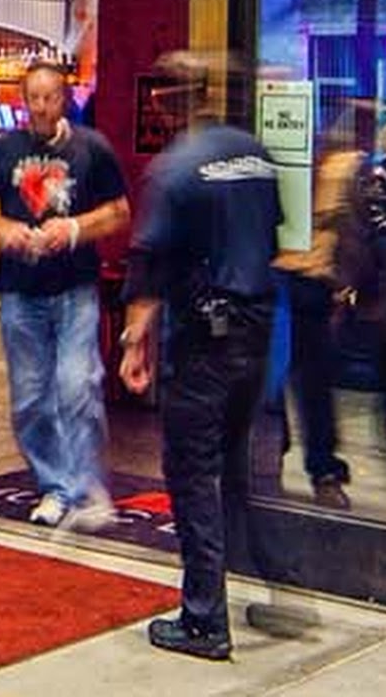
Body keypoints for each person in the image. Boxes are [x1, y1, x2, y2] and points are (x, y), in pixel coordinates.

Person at [120, 52, 299, 661]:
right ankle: (271, 577)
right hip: (256, 327)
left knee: (192, 471)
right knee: (234, 464)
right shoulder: (254, 153)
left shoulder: (175, 168)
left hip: (205, 337)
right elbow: (271, 236)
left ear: (168, 100)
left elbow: (150, 261)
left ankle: (204, 619)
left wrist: (135, 340)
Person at [0, 59, 129, 531]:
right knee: (30, 398)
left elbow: (119, 212)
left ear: (64, 98)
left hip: (75, 286)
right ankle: (54, 485)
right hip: (20, 290)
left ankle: (84, 486)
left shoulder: (91, 148)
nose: (39, 107)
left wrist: (73, 228)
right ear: (22, 99)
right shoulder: (1, 148)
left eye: (49, 97)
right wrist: (3, 229)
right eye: (32, 98)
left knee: (78, 386)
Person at [272, 113, 373, 508]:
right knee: (300, 381)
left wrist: (344, 286)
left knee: (301, 381)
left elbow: (351, 231)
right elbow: (354, 232)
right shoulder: (339, 168)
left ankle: (313, 463)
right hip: (293, 280)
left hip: (300, 281)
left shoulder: (333, 169)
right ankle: (313, 466)